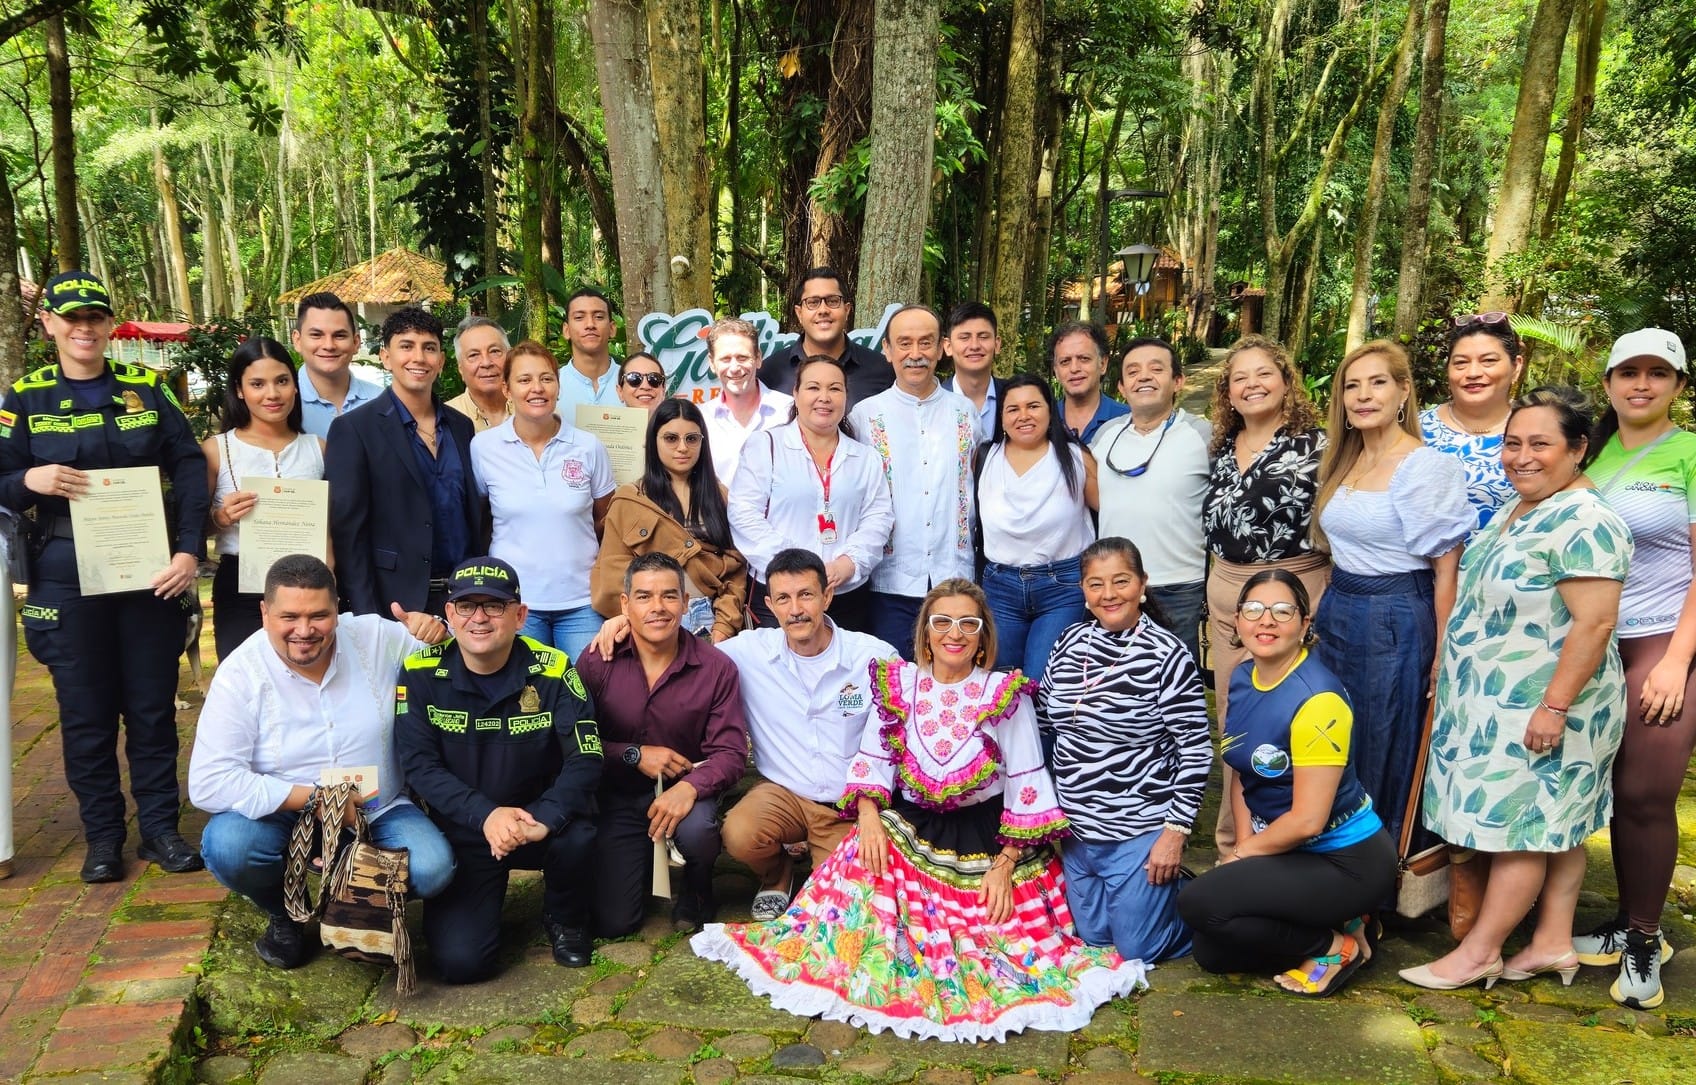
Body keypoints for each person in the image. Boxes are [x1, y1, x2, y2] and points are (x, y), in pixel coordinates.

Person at [692, 578, 1143, 1041]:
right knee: (861, 894)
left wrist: (1006, 865)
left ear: (984, 635)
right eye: (942, 621)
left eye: (968, 624)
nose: (955, 633)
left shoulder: (1003, 696)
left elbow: (1027, 786)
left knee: (993, 939)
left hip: (987, 835)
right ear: (925, 633)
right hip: (912, 821)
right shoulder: (900, 684)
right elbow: (874, 761)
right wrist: (868, 817)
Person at [1403, 387, 1630, 993]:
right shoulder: (1522, 504)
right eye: (1512, 443)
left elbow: (1595, 622)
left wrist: (1554, 706)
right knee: (1558, 825)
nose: (1521, 456)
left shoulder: (1587, 519)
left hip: (1547, 703)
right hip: (1502, 700)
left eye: (1540, 444)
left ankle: (1480, 952)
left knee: (1520, 827)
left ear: (1578, 449)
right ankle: (1553, 940)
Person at [0, 270, 210, 883]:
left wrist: (189, 551)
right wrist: (25, 482)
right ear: (49, 324)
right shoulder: (24, 397)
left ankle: (160, 832)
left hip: (149, 570)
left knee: (150, 707)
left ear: (107, 323)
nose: (84, 327)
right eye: (71, 318)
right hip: (65, 571)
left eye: (95, 316)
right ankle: (101, 838)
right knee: (86, 712)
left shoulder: (145, 387)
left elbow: (189, 465)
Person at [590, 548, 897, 921]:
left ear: (827, 597)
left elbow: (892, 739)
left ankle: (825, 866)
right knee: (738, 832)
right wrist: (621, 623)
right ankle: (776, 873)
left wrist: (870, 809)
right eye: (783, 598)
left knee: (847, 916)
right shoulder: (749, 652)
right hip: (784, 795)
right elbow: (672, 643)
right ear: (769, 604)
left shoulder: (875, 658)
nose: (796, 609)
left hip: (848, 804)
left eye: (806, 595)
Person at [190, 555, 456, 970]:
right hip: (284, 812)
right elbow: (208, 782)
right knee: (229, 848)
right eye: (289, 616)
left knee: (433, 868)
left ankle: (349, 893)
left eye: (319, 615)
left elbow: (467, 655)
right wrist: (316, 799)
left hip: (378, 807)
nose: (304, 630)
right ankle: (286, 912)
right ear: (264, 612)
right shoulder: (241, 672)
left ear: (338, 609)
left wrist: (441, 634)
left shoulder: (375, 637)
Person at [1177, 571, 1396, 996]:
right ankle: (1341, 921)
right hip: (1287, 853)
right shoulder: (1243, 677)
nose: (1267, 621)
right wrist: (1246, 847)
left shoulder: (1318, 699)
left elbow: (1308, 821)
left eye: (1282, 611)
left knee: (1198, 903)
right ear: (1237, 621)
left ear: (1304, 623)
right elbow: (1242, 769)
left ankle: (1335, 945)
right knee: (1212, 951)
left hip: (1344, 860)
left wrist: (1242, 855)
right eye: (1254, 610)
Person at [396, 556, 604, 982]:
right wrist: (486, 815)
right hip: (468, 827)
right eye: (466, 606)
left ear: (520, 615)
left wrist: (545, 818)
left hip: (540, 820)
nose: (480, 618)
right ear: (449, 614)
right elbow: (419, 765)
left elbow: (587, 755)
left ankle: (565, 917)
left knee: (579, 834)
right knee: (461, 964)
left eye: (494, 606)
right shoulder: (419, 673)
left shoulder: (554, 669)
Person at [1572, 328, 1696, 1009]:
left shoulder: (1689, 453)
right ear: (1611, 381)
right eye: (1628, 372)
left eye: (1657, 373)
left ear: (1678, 384)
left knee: (1648, 792)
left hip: (1660, 643)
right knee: (1611, 788)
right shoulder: (1594, 449)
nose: (1640, 384)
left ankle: (1647, 935)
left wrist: (1677, 661)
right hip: (1593, 643)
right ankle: (1624, 919)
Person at [1310, 339, 1470, 851]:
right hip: (1341, 612)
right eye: (1352, 386)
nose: (1363, 396)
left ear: (1403, 391)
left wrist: (1442, 651)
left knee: (1381, 741)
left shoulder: (1424, 465)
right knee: (1335, 736)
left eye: (1377, 382)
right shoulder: (1344, 459)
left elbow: (1447, 570)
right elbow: (1341, 551)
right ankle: (1332, 857)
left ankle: (1375, 876)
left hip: (1396, 615)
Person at [1037, 538, 1209, 962]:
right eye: (1096, 584)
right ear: (1083, 591)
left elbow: (1196, 748)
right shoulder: (1068, 642)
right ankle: (1144, 899)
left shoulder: (1166, 654)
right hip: (1078, 831)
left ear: (1143, 584)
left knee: (1137, 950)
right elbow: (1044, 717)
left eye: (1121, 581)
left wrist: (1175, 833)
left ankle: (1201, 900)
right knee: (1093, 938)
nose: (1109, 594)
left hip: (1138, 829)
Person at [575, 553, 749, 935]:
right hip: (618, 795)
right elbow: (574, 740)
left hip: (685, 795)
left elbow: (732, 753)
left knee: (699, 829)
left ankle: (698, 887)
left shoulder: (716, 668)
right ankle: (632, 863)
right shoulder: (597, 661)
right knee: (615, 922)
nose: (658, 607)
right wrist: (632, 755)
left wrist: (689, 787)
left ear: (686, 603)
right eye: (644, 597)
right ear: (624, 605)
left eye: (669, 596)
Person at [1202, 334, 1329, 852]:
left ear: (1285, 382)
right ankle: (1235, 841)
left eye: (1263, 374)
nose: (1252, 385)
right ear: (1227, 393)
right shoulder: (1220, 448)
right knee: (1237, 717)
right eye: (1240, 378)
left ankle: (1295, 837)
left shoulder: (1319, 445)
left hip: (1295, 583)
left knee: (1293, 712)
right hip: (1228, 587)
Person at [326, 307, 488, 617]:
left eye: (429, 348)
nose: (419, 357)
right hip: (395, 601)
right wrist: (367, 615)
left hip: (465, 595)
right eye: (406, 346)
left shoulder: (461, 426)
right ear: (386, 357)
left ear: (440, 360)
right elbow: (349, 535)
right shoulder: (355, 429)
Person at [470, 340, 616, 659]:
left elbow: (606, 519)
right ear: (507, 389)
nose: (537, 388)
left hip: (582, 603)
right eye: (524, 380)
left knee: (587, 694)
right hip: (515, 604)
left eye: (546, 378)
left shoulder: (588, 447)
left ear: (558, 387)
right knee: (525, 699)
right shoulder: (484, 448)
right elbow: (480, 519)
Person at [728, 355, 894, 632]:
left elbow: (878, 518)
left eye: (834, 388)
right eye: (813, 387)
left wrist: (849, 563)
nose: (824, 397)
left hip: (845, 594)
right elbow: (743, 513)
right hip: (781, 596)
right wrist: (797, 568)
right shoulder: (765, 446)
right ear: (796, 393)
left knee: (844, 675)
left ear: (845, 396)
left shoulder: (865, 457)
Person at [850, 304, 979, 653]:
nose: (915, 354)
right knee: (894, 684)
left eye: (926, 343)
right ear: (888, 350)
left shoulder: (964, 413)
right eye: (904, 343)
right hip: (889, 582)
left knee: (952, 684)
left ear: (942, 348)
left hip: (954, 578)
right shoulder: (865, 416)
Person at [202, 338, 326, 661]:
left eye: (282, 381)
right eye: (257, 384)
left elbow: (333, 525)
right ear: (239, 390)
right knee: (244, 681)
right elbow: (191, 527)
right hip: (241, 584)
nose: (272, 394)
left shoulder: (319, 449)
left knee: (306, 683)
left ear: (295, 387)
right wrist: (221, 517)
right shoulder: (217, 450)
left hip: (308, 587)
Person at [1091, 336, 1212, 664]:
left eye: (1156, 369)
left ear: (1178, 381)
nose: (1143, 376)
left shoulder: (1204, 436)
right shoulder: (1104, 437)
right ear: (1122, 386)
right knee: (1118, 686)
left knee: (1177, 684)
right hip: (1114, 588)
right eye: (1133, 371)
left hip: (1178, 586)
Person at [590, 399, 748, 641]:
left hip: (712, 618)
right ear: (654, 442)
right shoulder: (630, 500)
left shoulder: (721, 496)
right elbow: (613, 576)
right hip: (650, 620)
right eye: (671, 438)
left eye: (692, 439)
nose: (682, 447)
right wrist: (636, 619)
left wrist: (723, 627)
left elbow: (735, 572)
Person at [976, 374, 1098, 680]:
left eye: (1033, 406)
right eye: (1012, 409)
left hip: (1063, 587)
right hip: (1000, 587)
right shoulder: (983, 457)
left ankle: (1047, 732)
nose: (1024, 416)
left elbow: (1111, 513)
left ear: (1049, 410)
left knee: (1043, 680)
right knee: (1001, 684)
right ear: (1001, 417)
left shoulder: (1076, 457)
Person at [1421, 316, 1526, 534]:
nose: (1473, 373)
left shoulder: (1537, 430)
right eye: (1461, 363)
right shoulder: (1414, 430)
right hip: (1419, 567)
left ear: (1516, 367)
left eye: (1488, 361)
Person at [757, 267, 893, 408]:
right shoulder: (769, 373)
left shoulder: (883, 371)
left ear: (846, 311)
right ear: (799, 314)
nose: (823, 310)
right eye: (813, 302)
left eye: (833, 301)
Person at [703, 317, 791, 483]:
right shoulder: (700, 419)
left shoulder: (789, 411)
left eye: (742, 358)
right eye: (725, 359)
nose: (735, 368)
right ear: (712, 363)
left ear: (758, 358)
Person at [293, 292, 381, 439]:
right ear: (297, 340)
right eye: (316, 335)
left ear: (356, 342)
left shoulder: (380, 401)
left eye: (339, 335)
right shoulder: (280, 403)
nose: (329, 345)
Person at [1049, 322, 1129, 445]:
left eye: (1084, 359)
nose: (1074, 368)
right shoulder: (1044, 422)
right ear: (1056, 370)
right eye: (1065, 361)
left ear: (1103, 364)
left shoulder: (1128, 421)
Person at [941, 301, 1006, 440]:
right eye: (964, 338)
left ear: (997, 344)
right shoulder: (934, 404)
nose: (975, 346)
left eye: (983, 337)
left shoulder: (1013, 398)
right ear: (948, 346)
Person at [444, 315, 512, 433]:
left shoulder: (535, 408)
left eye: (494, 351)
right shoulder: (446, 419)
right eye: (474, 355)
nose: (486, 363)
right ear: (460, 367)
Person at [557, 287, 621, 413]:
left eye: (598, 317)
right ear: (566, 330)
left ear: (612, 328)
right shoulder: (552, 385)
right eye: (579, 317)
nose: (590, 325)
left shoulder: (635, 383)